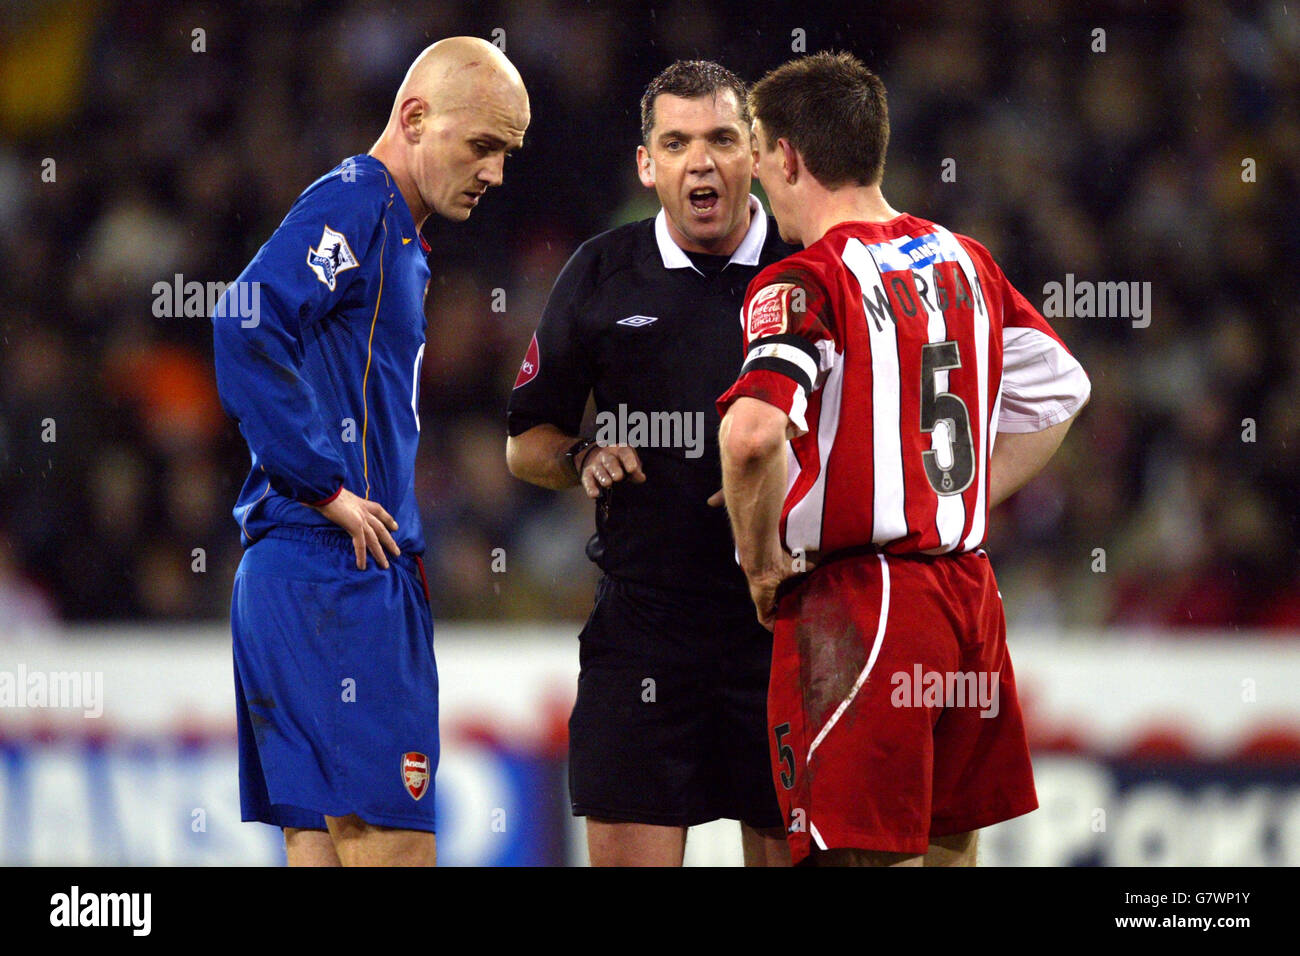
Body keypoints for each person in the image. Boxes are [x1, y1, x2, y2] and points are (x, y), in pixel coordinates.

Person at [717, 51, 1091, 867]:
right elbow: (1061, 391)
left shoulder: (804, 280)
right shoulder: (965, 258)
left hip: (865, 603)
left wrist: (758, 559)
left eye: (754, 149)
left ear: (785, 155)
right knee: (948, 846)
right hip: (968, 593)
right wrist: (949, 496)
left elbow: (750, 435)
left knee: (859, 854)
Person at [212, 37, 529, 867]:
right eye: (483, 145)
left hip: (298, 574)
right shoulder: (362, 202)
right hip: (336, 574)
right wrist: (325, 486)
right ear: (415, 117)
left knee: (322, 849)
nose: (495, 172)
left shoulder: (395, 232)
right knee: (392, 850)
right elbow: (244, 316)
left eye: (508, 153)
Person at [506, 61, 797, 866]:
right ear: (647, 164)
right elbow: (526, 442)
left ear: (758, 152)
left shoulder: (812, 265)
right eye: (676, 142)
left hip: (783, 622)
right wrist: (583, 456)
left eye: (721, 140)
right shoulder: (600, 271)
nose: (700, 161)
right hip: (644, 629)